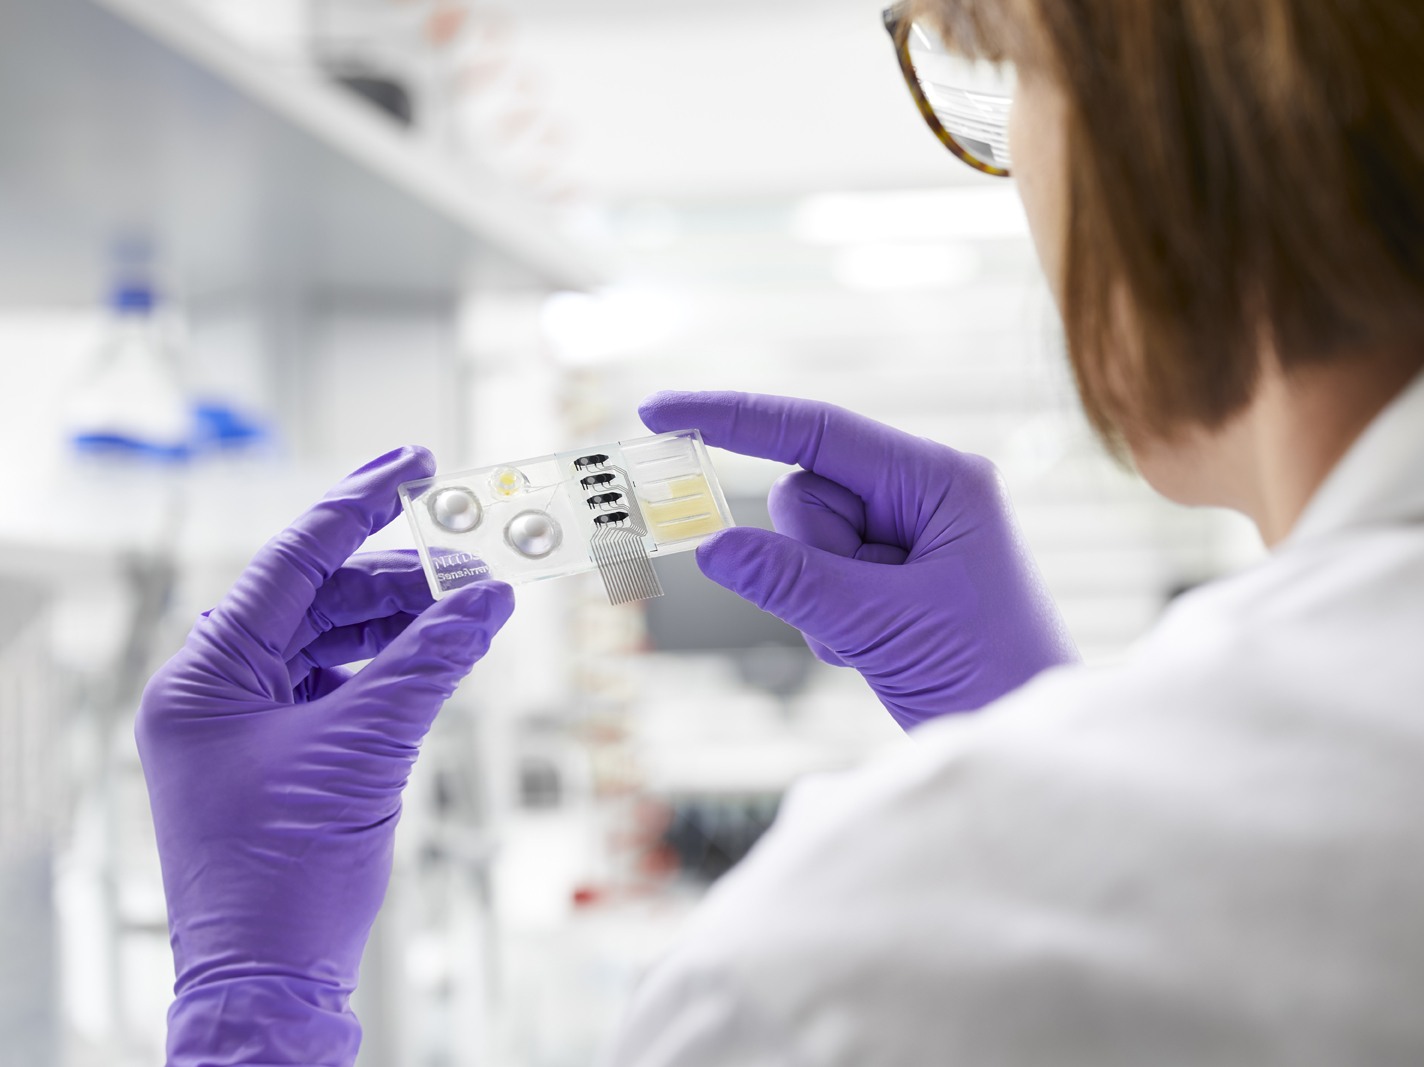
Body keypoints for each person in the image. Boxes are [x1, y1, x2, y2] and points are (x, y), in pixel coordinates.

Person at [135, 0, 1424, 1062]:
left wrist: (255, 1004)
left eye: (1000, 77)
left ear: (1178, 112)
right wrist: (1029, 728)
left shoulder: (835, 974)